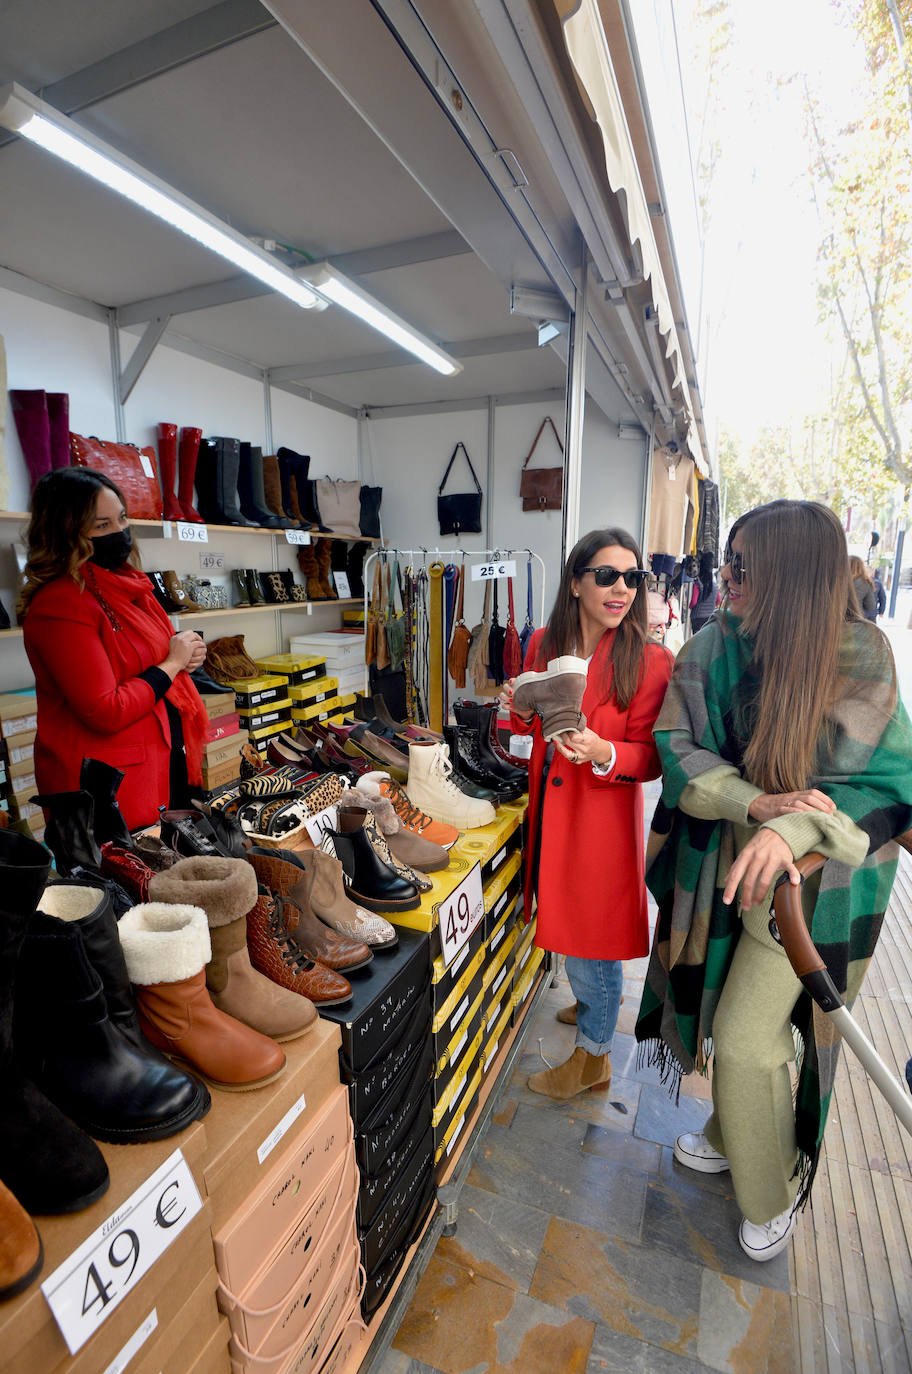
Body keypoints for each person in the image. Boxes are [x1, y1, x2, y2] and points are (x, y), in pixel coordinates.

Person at [636, 500, 912, 1263]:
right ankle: (735, 1132)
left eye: (743, 567)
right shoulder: (713, 644)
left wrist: (788, 828)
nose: (725, 579)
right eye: (728, 562)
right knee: (721, 1001)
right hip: (726, 872)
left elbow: (886, 788)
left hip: (816, 892)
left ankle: (771, 1189)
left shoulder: (861, 655)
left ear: (792, 576)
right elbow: (676, 747)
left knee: (748, 1040)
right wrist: (755, 804)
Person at [502, 527, 673, 1099]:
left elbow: (651, 758)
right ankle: (589, 1003)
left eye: (632, 577)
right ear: (576, 582)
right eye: (606, 576)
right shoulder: (544, 642)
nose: (621, 589)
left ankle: (594, 1057)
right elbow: (529, 724)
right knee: (570, 920)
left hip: (598, 820)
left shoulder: (650, 661)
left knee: (592, 936)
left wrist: (604, 752)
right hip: (551, 806)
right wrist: (517, 706)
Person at [20, 468, 210, 832]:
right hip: (105, 787)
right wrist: (171, 664)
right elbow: (104, 709)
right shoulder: (61, 604)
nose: (120, 532)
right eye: (102, 525)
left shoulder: (127, 586)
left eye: (122, 518)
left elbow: (148, 659)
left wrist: (186, 657)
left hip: (156, 764)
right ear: (65, 532)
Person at [849, 555, 877, 621]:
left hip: (837, 619)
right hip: (856, 618)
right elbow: (871, 606)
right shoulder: (866, 582)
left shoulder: (838, 581)